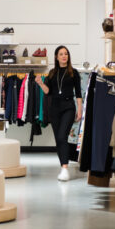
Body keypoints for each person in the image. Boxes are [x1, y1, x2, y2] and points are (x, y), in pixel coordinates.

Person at [35, 45, 82, 181]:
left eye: (66, 54)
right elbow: (47, 91)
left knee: (62, 136)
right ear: (56, 57)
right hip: (54, 108)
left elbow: (78, 94)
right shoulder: (52, 73)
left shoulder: (74, 72)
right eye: (61, 54)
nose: (64, 56)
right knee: (58, 139)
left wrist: (79, 110)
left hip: (68, 107)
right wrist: (40, 83)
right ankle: (63, 167)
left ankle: (65, 168)